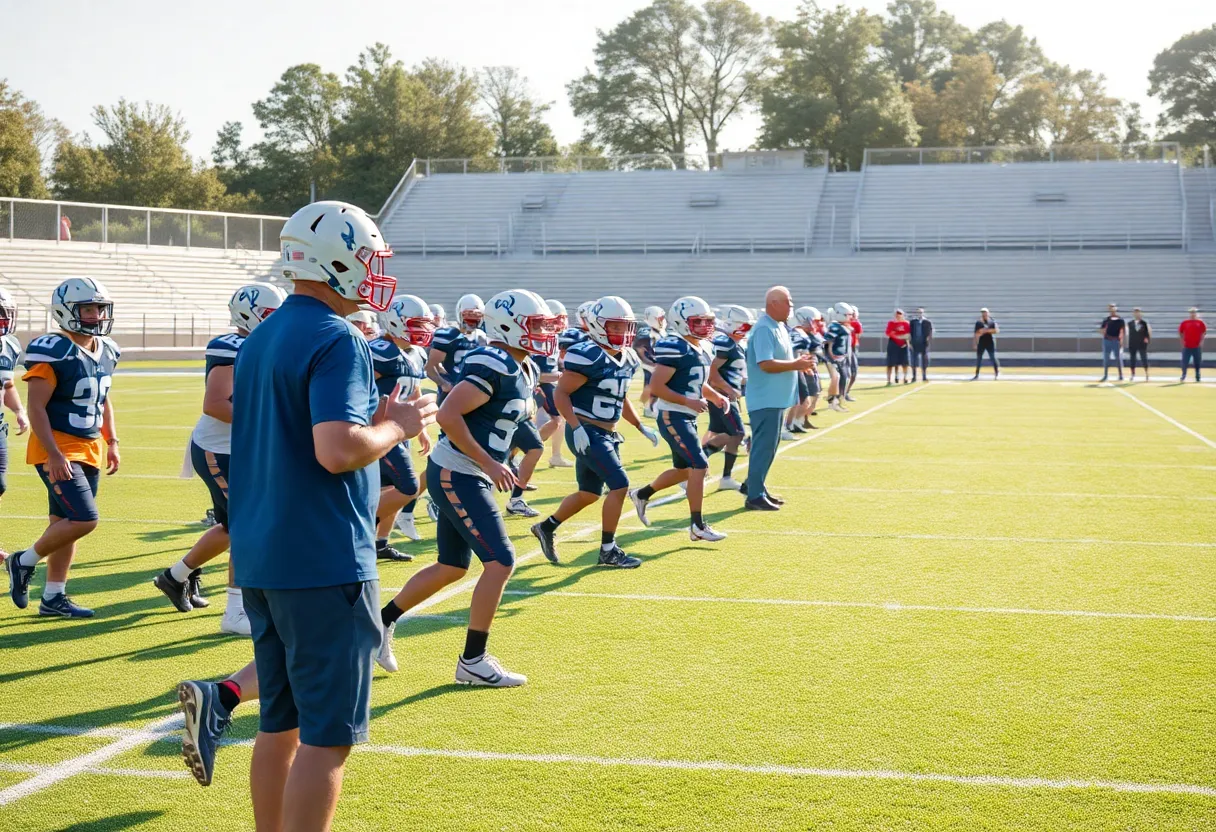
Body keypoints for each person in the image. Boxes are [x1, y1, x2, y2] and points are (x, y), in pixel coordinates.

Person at [226, 200, 436, 832]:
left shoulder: (262, 334)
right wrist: (395, 429)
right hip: (321, 557)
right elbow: (338, 448)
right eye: (367, 257)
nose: (373, 271)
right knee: (328, 738)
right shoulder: (337, 335)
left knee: (279, 723)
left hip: (264, 555)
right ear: (336, 259)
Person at [379, 289, 557, 687]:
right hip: (457, 471)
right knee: (501, 561)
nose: (543, 332)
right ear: (509, 325)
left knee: (452, 566)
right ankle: (473, 661)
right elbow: (448, 413)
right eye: (536, 325)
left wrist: (508, 454)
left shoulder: (522, 365)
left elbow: (498, 419)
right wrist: (490, 461)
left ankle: (379, 623)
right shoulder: (492, 361)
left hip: (468, 471)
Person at [153, 282, 287, 634]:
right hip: (221, 450)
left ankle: (175, 576)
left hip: (242, 449)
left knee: (233, 527)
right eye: (272, 314)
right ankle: (235, 613)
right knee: (247, 529)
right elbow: (215, 404)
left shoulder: (263, 343)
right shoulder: (231, 345)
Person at [6, 278, 120, 619]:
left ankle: (53, 596)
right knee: (84, 519)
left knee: (63, 521)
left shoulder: (107, 348)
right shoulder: (52, 348)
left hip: (89, 447)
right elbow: (37, 406)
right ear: (67, 311)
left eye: (99, 308)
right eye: (88, 308)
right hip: (57, 447)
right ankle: (22, 561)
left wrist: (112, 440)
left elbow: (103, 398)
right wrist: (54, 454)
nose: (96, 315)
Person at [530, 296, 659, 567]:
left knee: (589, 493)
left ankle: (546, 527)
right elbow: (562, 394)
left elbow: (620, 397)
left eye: (624, 327)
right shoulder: (587, 353)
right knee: (620, 485)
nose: (621, 333)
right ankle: (608, 550)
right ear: (599, 326)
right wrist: (575, 427)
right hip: (587, 431)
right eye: (614, 327)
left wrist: (639, 425)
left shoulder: (627, 357)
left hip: (606, 433)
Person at [629, 296, 729, 540]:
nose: (705, 326)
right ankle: (697, 526)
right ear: (681, 322)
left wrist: (715, 396)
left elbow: (696, 382)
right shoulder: (675, 345)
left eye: (707, 321)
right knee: (700, 465)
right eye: (698, 321)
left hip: (686, 416)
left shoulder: (702, 346)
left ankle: (641, 494)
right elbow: (656, 386)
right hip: (673, 415)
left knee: (683, 470)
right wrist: (689, 402)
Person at [742, 287, 814, 511]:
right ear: (773, 303)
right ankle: (754, 495)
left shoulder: (778, 326)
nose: (791, 307)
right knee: (764, 447)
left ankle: (757, 487)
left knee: (768, 447)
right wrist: (796, 365)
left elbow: (780, 358)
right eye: (788, 302)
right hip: (765, 399)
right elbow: (766, 363)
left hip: (774, 398)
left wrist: (799, 363)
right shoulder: (764, 328)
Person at [371, 294, 435, 548]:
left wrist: (421, 428)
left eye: (423, 324)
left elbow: (415, 389)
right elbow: (358, 388)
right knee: (407, 486)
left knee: (388, 488)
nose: (422, 330)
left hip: (401, 430)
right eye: (415, 324)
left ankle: (380, 543)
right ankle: (353, 531)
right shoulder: (379, 352)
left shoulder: (416, 353)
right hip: (379, 430)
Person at [705, 305, 753, 488]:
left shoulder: (734, 344)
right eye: (744, 327)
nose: (745, 331)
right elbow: (711, 372)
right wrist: (728, 389)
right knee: (737, 433)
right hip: (722, 397)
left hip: (725, 397)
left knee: (722, 435)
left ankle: (693, 465)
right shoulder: (724, 342)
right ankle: (724, 478)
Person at [0, 288, 30, 562]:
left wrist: (19, 410)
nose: (2, 320)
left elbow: (7, 383)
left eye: (3, 314)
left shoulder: (9, 344)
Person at [539, 299, 573, 468]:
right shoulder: (539, 340)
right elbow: (534, 372)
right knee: (555, 421)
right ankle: (523, 449)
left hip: (549, 384)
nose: (561, 323)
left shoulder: (552, 340)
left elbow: (554, 364)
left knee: (559, 420)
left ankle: (556, 455)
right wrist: (558, 376)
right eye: (558, 319)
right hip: (538, 386)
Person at [636, 305, 666, 418]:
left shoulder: (659, 331)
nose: (662, 321)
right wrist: (649, 363)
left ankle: (650, 407)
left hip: (656, 363)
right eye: (660, 318)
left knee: (653, 385)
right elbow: (639, 350)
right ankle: (649, 408)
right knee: (652, 385)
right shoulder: (646, 331)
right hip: (651, 363)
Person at [825, 304, 854, 411]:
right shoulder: (834, 326)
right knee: (837, 379)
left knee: (843, 378)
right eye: (848, 314)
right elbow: (829, 342)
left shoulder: (842, 326)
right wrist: (832, 356)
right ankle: (834, 401)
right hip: (836, 357)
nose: (850, 316)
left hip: (842, 357)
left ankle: (836, 400)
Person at [1098, 304, 1125, 382]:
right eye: (1110, 308)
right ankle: (1105, 375)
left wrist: (1121, 341)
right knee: (1106, 358)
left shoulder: (1120, 320)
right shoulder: (1106, 320)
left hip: (1116, 340)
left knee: (1118, 358)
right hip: (1107, 340)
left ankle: (1120, 375)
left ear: (1116, 309)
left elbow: (1122, 331)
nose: (1112, 309)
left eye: (1113, 307)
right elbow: (1102, 329)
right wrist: (1103, 332)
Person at [1179, 307, 1206, 382]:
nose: (1193, 314)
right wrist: (1182, 341)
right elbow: (1181, 332)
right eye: (1191, 312)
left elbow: (1204, 332)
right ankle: (1183, 375)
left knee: (1197, 361)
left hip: (1196, 345)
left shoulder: (1200, 322)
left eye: (1194, 312)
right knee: (1185, 361)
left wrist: (1201, 341)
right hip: (1187, 345)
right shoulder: (1185, 322)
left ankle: (1197, 375)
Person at [885, 309, 911, 384]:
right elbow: (889, 333)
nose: (898, 317)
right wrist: (899, 336)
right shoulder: (891, 323)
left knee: (905, 363)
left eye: (900, 315)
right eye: (897, 315)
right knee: (890, 363)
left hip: (903, 345)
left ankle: (905, 378)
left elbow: (907, 335)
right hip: (893, 345)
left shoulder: (906, 324)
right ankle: (889, 380)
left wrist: (896, 335)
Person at [973, 308, 999, 379]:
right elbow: (976, 333)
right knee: (979, 358)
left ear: (988, 313)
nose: (984, 314)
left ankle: (996, 373)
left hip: (990, 342)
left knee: (992, 357)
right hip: (981, 342)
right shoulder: (979, 322)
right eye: (982, 312)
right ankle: (977, 374)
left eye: (985, 312)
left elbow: (996, 330)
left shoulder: (992, 322)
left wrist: (986, 331)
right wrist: (975, 343)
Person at [1128, 308, 1152, 381]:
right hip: (1133, 343)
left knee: (1144, 358)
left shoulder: (1144, 323)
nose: (1137, 314)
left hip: (1141, 344)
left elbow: (1148, 332)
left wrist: (1147, 339)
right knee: (1132, 359)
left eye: (1138, 312)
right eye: (1135, 313)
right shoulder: (1130, 323)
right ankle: (1132, 374)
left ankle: (1147, 373)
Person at [909, 308, 933, 382]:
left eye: (920, 312)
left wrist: (928, 340)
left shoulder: (927, 322)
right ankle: (914, 376)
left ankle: (924, 376)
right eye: (918, 312)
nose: (919, 314)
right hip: (914, 343)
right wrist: (909, 342)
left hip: (923, 344)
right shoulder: (913, 322)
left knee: (924, 361)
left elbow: (930, 332)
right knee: (914, 360)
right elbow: (909, 332)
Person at [844, 304, 862, 401]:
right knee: (847, 373)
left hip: (852, 348)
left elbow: (858, 336)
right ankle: (842, 393)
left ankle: (845, 392)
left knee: (853, 373)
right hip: (846, 349)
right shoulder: (842, 323)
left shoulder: (856, 323)